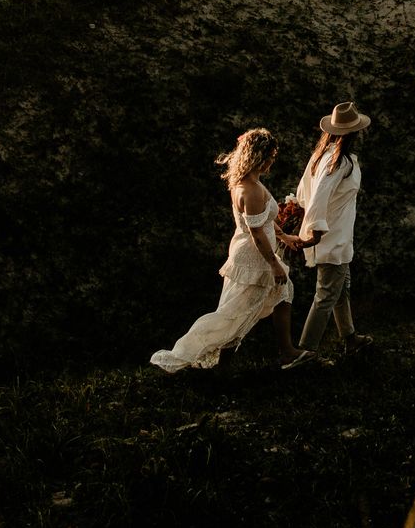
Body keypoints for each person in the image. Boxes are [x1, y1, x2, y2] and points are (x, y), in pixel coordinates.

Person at [150, 127, 306, 372]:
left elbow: (264, 220)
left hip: (251, 255)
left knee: (276, 296)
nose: (272, 161)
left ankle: (281, 353)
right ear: (260, 157)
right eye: (271, 156)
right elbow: (256, 233)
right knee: (232, 314)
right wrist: (274, 263)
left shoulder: (250, 183)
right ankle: (185, 355)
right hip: (253, 258)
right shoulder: (250, 190)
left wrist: (284, 236)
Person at [278, 101, 373, 359]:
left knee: (342, 287)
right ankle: (307, 350)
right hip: (332, 237)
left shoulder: (322, 156)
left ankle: (350, 337)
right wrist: (316, 231)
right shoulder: (340, 162)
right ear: (353, 132)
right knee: (326, 294)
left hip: (338, 236)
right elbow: (318, 196)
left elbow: (303, 191)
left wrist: (297, 212)